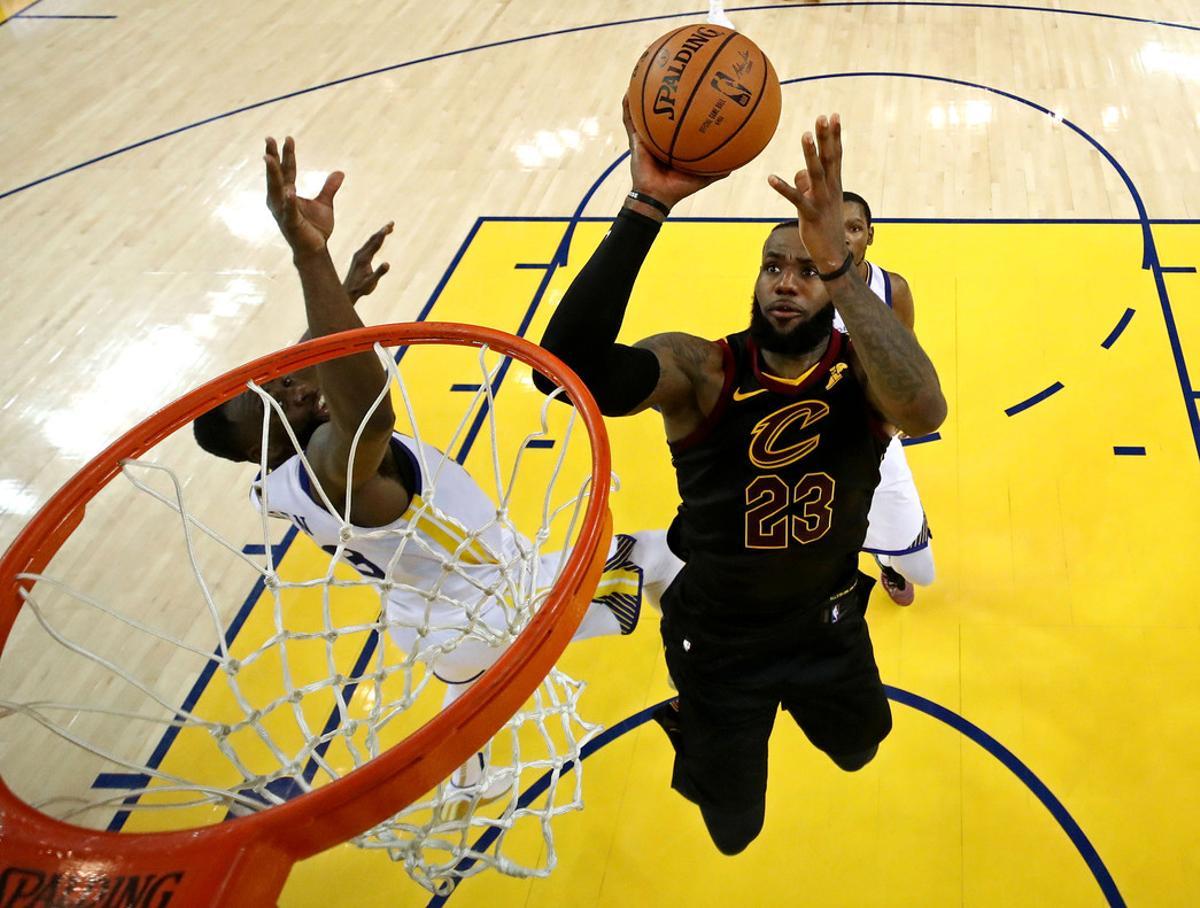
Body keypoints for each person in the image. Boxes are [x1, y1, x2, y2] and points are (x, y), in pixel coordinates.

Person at [193, 137, 681, 795]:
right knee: (660, 554)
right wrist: (311, 258)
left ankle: (468, 781)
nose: (296, 388)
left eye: (280, 384)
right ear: (267, 442)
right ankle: (705, 691)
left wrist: (340, 291)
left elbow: (307, 373)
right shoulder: (335, 467)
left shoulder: (282, 466)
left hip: (426, 616)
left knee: (467, 685)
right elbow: (366, 405)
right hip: (496, 603)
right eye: (277, 403)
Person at [535, 106, 946, 853]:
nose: (787, 282)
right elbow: (561, 377)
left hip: (827, 625)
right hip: (719, 644)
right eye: (773, 266)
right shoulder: (703, 370)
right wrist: (646, 205)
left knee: (861, 747)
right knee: (734, 830)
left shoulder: (862, 379)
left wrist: (842, 271)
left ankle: (656, 556)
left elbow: (925, 410)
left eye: (805, 268)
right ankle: (685, 688)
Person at [838, 190, 935, 605]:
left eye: (854, 228)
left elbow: (906, 358)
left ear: (870, 235)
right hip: (816, 430)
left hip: (875, 430)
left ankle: (889, 555)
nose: (843, 239)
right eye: (833, 229)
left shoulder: (893, 289)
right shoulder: (797, 290)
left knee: (922, 572)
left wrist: (902, 412)